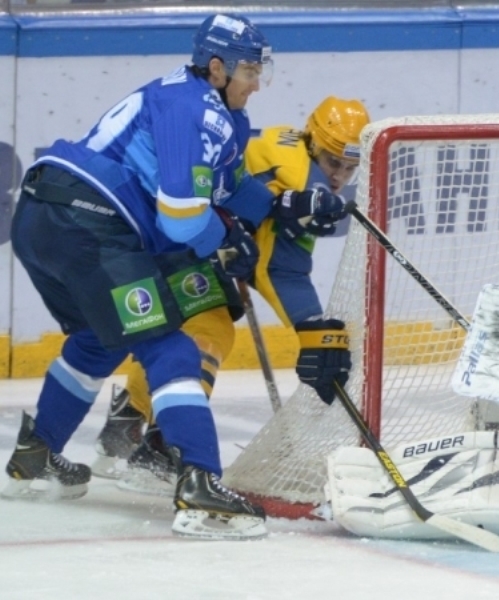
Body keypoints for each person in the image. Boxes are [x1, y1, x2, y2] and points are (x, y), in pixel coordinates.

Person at [2, 13, 278, 539]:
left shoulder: (199, 103)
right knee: (169, 348)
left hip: (42, 217)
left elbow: (230, 187)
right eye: (248, 71)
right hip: (92, 224)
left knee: (96, 340)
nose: (257, 83)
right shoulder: (195, 109)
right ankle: (199, 484)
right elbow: (182, 219)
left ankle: (35, 457)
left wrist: (282, 207)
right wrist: (225, 239)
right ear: (216, 67)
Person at [91, 96, 370, 493]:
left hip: (162, 237)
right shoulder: (298, 175)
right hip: (176, 240)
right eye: (333, 162)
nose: (340, 175)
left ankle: (129, 415)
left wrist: (310, 325)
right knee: (209, 332)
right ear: (313, 142)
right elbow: (277, 264)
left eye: (348, 166)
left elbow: (274, 260)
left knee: (169, 335)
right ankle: (161, 444)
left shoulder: (295, 160)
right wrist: (310, 325)